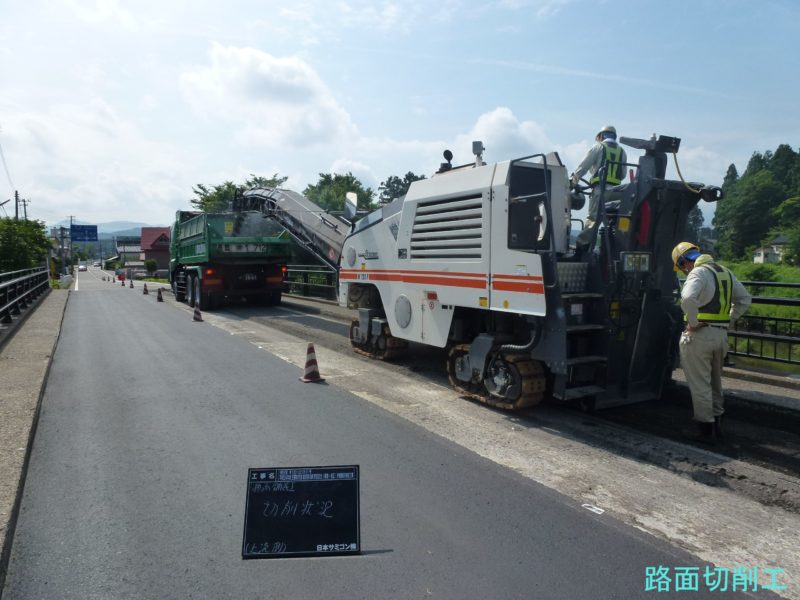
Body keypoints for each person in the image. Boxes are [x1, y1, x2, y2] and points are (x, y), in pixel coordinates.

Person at [672, 242, 752, 443]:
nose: (684, 271)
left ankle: (705, 430)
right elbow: (745, 300)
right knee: (715, 382)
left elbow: (688, 299)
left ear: (684, 262)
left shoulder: (698, 273)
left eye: (682, 268)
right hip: (720, 337)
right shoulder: (725, 272)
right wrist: (728, 320)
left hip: (699, 338)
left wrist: (692, 323)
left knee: (700, 384)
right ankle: (717, 423)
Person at [571, 125, 627, 250]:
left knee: (593, 220)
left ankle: (582, 249)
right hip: (618, 192)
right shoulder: (622, 152)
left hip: (600, 191)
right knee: (612, 223)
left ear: (601, 136)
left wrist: (573, 182)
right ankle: (612, 249)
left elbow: (583, 167)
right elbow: (623, 174)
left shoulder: (599, 147)